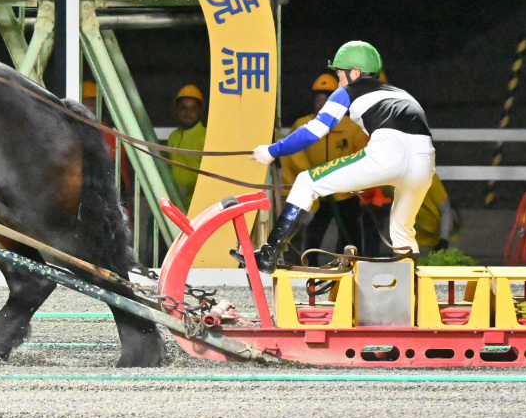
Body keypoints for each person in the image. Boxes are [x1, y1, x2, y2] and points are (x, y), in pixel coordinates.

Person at [239, 41, 435, 272]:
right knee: (402, 228)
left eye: (340, 74)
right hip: (424, 163)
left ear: (355, 73)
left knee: (306, 181)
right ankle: (409, 285)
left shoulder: (348, 91)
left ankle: (268, 255)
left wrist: (272, 151)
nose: (338, 81)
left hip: (387, 155)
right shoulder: (401, 93)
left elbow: (314, 131)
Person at [281, 74, 368, 259]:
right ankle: (310, 271)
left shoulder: (352, 128)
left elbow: (364, 157)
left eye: (326, 97)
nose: (320, 101)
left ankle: (352, 270)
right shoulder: (303, 125)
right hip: (317, 195)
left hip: (345, 195)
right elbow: (293, 158)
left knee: (351, 239)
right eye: (318, 97)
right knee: (312, 239)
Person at [166, 85, 207, 207]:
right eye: (183, 108)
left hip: (198, 205)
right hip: (176, 204)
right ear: (176, 110)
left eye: (193, 108)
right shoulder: (173, 136)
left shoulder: (206, 137)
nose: (187, 113)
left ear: (200, 110)